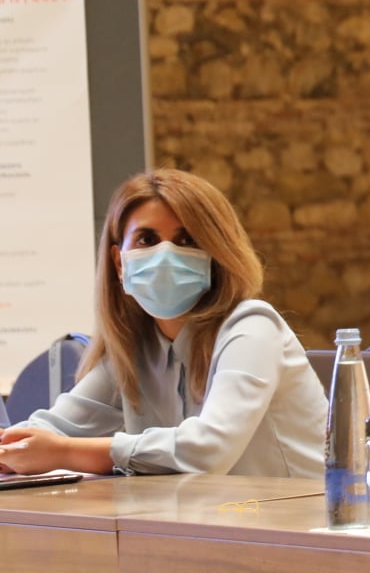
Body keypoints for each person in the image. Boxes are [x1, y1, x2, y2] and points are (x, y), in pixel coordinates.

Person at [0, 168, 326, 478]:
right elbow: (54, 428)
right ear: (119, 262)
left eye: (187, 240)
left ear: (217, 254)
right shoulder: (134, 349)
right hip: (207, 512)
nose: (166, 254)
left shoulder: (253, 327)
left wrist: (65, 452)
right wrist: (12, 447)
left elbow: (208, 450)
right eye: (146, 239)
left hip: (298, 514)